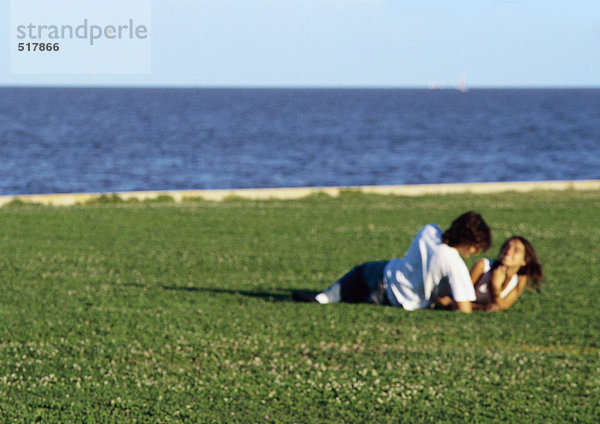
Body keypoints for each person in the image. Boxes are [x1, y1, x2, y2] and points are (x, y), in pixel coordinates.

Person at [292, 211, 492, 313]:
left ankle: (323, 298)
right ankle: (323, 299)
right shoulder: (454, 263)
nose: (475, 252)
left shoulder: (429, 230)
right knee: (355, 295)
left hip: (381, 273)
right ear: (468, 241)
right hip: (392, 298)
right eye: (476, 246)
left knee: (352, 280)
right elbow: (464, 308)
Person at [468, 236, 543, 311]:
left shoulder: (520, 279)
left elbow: (504, 305)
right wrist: (482, 308)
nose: (508, 252)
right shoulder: (483, 266)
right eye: (507, 247)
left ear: (524, 261)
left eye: (516, 250)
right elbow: (460, 298)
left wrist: (496, 287)